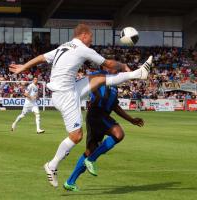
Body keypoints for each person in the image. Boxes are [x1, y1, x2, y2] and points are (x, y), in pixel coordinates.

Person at [9, 23, 152, 188]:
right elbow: (108, 64)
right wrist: (122, 66)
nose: (92, 40)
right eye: (91, 37)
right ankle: (52, 165)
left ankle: (137, 74)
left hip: (69, 88)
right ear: (84, 35)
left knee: (99, 79)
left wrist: (23, 67)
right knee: (76, 136)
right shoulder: (83, 48)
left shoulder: (64, 46)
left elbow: (41, 57)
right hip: (66, 95)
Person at [63, 69, 144, 191]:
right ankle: (91, 160)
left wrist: (131, 120)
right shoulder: (98, 75)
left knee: (90, 151)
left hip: (101, 116)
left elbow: (115, 106)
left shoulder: (114, 85)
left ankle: (70, 182)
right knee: (118, 134)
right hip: (96, 113)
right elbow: (86, 84)